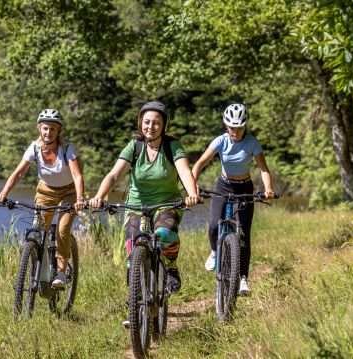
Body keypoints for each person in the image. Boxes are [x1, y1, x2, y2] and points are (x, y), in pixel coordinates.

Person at [88, 101, 199, 318]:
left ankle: (171, 266)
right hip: (136, 204)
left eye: (156, 123)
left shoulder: (172, 146)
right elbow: (113, 175)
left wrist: (191, 192)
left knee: (165, 233)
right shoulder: (134, 146)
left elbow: (185, 171)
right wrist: (99, 196)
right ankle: (136, 304)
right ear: (140, 123)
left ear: (164, 125)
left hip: (167, 203)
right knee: (132, 252)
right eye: (147, 122)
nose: (151, 127)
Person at [0, 109, 86, 289]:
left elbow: (77, 175)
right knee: (38, 228)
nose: (48, 132)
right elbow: (19, 172)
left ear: (58, 131)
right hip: (45, 191)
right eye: (45, 128)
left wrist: (80, 198)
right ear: (39, 128)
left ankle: (60, 273)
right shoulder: (34, 148)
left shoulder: (67, 149)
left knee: (62, 229)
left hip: (69, 192)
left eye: (52, 129)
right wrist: (4, 192)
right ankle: (39, 268)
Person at [191, 103, 275, 296]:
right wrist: (193, 185)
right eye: (231, 127)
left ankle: (243, 279)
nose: (235, 131)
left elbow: (263, 169)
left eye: (239, 127)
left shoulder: (252, 142)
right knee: (213, 225)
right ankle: (214, 251)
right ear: (226, 125)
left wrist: (268, 189)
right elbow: (199, 164)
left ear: (245, 125)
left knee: (244, 234)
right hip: (223, 185)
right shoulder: (220, 141)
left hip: (244, 187)